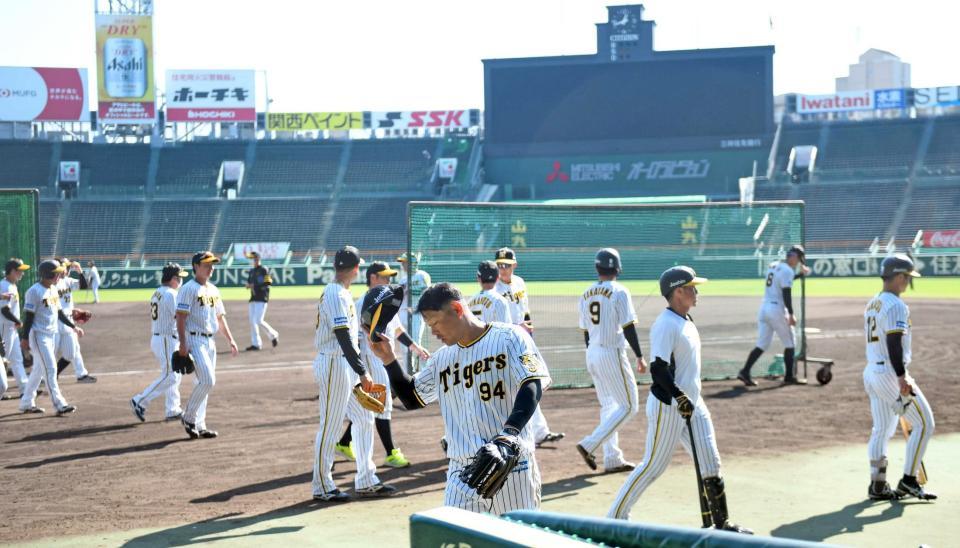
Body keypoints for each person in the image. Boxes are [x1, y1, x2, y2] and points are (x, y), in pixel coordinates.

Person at [367, 282, 550, 515]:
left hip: (512, 467)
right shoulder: (441, 359)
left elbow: (531, 382)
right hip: (461, 473)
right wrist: (389, 360)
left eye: (434, 323)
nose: (433, 332)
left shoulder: (510, 337)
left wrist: (509, 434)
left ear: (457, 308)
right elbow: (412, 398)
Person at [608, 266, 751, 534]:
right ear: (677, 292)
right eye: (692, 287)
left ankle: (721, 524)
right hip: (669, 406)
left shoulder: (686, 319)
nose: (696, 292)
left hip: (694, 403)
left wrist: (688, 397)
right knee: (653, 465)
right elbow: (658, 369)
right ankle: (614, 518)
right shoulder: (666, 324)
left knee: (711, 461)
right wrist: (679, 396)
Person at [311, 246, 396, 502]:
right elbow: (343, 336)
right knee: (330, 425)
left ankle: (366, 479)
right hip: (335, 364)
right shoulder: (336, 293)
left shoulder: (343, 293)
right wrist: (362, 371)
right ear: (357, 268)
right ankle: (322, 485)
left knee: (364, 416)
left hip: (344, 363)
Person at [335, 261, 430, 468]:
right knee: (383, 404)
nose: (388, 280)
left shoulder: (385, 298)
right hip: (371, 359)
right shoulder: (362, 303)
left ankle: (343, 443)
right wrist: (360, 369)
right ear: (372, 278)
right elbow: (355, 338)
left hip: (380, 358)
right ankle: (390, 453)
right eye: (384, 276)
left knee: (371, 407)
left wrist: (416, 347)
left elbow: (396, 330)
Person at [863, 254, 936, 501]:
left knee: (882, 429)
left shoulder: (873, 302)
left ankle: (878, 485)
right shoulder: (896, 305)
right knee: (925, 423)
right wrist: (902, 377)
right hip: (889, 374)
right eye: (906, 277)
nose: (907, 282)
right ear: (897, 276)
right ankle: (908, 481)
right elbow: (894, 343)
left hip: (873, 371)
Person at [576, 248, 645, 473]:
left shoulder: (586, 293)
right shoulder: (619, 291)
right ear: (617, 268)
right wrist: (640, 356)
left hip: (593, 352)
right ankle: (590, 444)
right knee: (629, 406)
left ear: (597, 268)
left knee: (609, 406)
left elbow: (586, 331)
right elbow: (628, 327)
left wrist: (593, 354)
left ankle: (612, 457)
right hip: (612, 352)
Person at [494, 247, 564, 446]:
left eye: (506, 265)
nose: (503, 269)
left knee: (532, 383)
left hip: (522, 341)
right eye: (499, 265)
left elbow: (525, 311)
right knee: (516, 388)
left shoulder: (519, 282)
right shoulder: (495, 290)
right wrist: (520, 327)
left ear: (514, 265)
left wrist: (529, 333)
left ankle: (540, 432)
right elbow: (497, 323)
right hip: (505, 343)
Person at [176, 251, 239, 439]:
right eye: (206, 265)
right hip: (195, 339)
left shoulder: (213, 289)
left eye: (212, 265)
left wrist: (230, 339)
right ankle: (188, 417)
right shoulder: (188, 288)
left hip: (210, 341)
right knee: (208, 380)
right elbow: (180, 316)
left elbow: (220, 318)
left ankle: (200, 424)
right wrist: (183, 343)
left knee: (203, 383)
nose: (211, 268)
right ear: (196, 266)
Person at [738, 245, 811, 386]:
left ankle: (745, 371)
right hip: (777, 309)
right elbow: (786, 292)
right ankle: (789, 376)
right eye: (799, 259)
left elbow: (781, 282)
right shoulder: (788, 270)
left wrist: (800, 275)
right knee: (790, 343)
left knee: (762, 344)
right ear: (794, 257)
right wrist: (791, 314)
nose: (799, 263)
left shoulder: (775, 265)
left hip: (764, 308)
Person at [17, 260, 78, 416]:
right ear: (48, 274)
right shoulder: (34, 291)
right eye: (57, 272)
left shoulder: (53, 289)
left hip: (51, 335)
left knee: (38, 370)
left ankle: (26, 402)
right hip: (39, 336)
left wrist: (73, 326)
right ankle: (59, 404)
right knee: (51, 368)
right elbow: (29, 316)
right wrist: (24, 339)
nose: (60, 275)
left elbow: (59, 313)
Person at [131, 263, 189, 423]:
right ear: (172, 279)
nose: (181, 281)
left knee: (174, 374)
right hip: (165, 339)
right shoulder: (171, 294)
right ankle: (140, 400)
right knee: (170, 375)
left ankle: (172, 409)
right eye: (179, 278)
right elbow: (179, 318)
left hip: (162, 338)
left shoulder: (158, 292)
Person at [54, 258, 96, 383]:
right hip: (55, 321)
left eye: (69, 267)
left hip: (68, 321)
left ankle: (80, 374)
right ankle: (42, 377)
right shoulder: (52, 283)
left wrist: (80, 271)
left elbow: (84, 286)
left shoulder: (68, 281)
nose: (68, 269)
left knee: (72, 350)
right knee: (51, 352)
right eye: (66, 266)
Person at [0, 258, 31, 398]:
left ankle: (25, 389)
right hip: (4, 328)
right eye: (20, 271)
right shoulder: (4, 286)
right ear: (12, 271)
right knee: (3, 360)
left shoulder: (12, 285)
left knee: (17, 359)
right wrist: (17, 320)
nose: (22, 274)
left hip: (11, 328)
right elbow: (4, 310)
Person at [396, 252, 430, 372]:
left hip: (416, 313)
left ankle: (422, 371)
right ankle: (408, 373)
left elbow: (426, 293)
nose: (403, 265)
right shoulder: (403, 279)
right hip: (402, 314)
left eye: (404, 262)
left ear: (412, 263)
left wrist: (409, 290)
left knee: (416, 343)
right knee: (404, 347)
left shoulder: (422, 276)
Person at [244, 251, 279, 351]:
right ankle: (256, 344)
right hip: (253, 298)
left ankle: (273, 335)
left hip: (262, 298)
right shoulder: (251, 271)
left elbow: (268, 283)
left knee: (258, 320)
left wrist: (254, 286)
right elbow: (249, 283)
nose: (253, 261)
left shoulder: (264, 270)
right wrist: (248, 285)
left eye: (254, 259)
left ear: (259, 259)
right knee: (252, 322)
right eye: (252, 259)